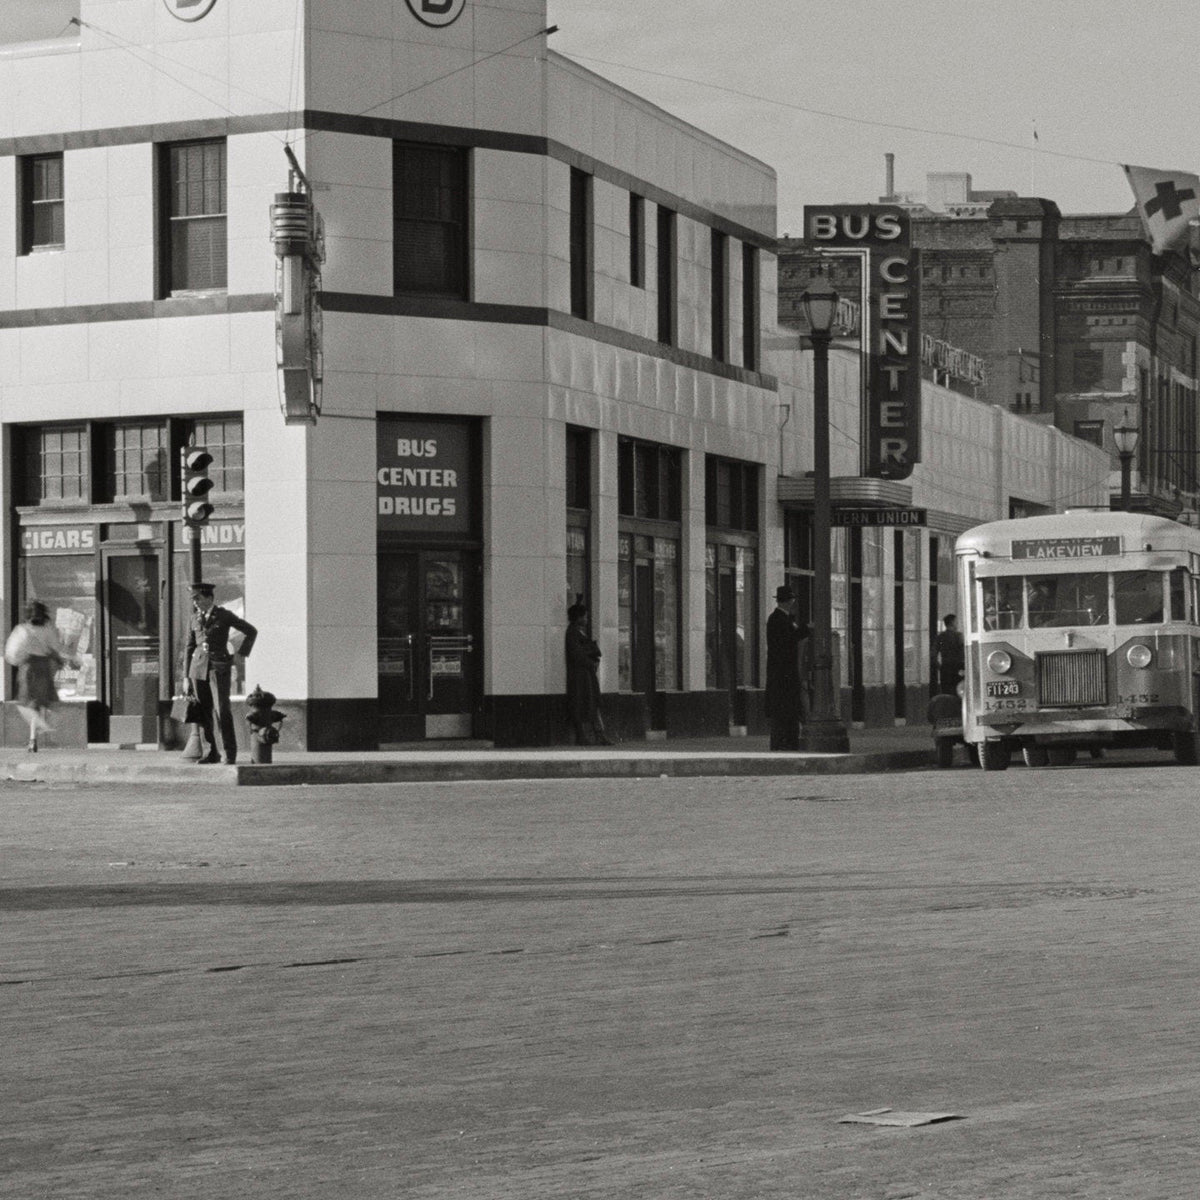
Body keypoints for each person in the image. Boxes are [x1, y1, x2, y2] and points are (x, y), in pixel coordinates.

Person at [184, 583, 258, 764]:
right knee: (203, 712)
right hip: (198, 669)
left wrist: (241, 654)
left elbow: (251, 630)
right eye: (194, 600)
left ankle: (229, 753)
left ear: (209, 598)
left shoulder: (224, 615)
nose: (195, 603)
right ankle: (211, 752)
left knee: (222, 711)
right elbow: (189, 647)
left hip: (218, 668)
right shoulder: (194, 618)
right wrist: (186, 677)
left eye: (198, 599)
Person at [4, 600, 80, 752]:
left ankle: (41, 727)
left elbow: (12, 653)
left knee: (25, 702)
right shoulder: (47, 629)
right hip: (44, 665)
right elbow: (56, 646)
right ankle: (33, 738)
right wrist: (71, 656)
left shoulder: (22, 629)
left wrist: (18, 660)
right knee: (40, 702)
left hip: (29, 666)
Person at [565, 601, 611, 745]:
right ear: (578, 618)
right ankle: (591, 735)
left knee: (589, 703)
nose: (586, 620)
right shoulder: (572, 633)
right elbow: (577, 653)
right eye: (584, 617)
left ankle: (594, 734)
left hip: (585, 675)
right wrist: (592, 663)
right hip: (581, 676)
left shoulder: (576, 632)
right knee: (586, 704)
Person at [765, 585, 801, 751]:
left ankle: (785, 741)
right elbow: (787, 641)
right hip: (782, 672)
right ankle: (784, 742)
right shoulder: (778, 619)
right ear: (788, 601)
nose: (793, 602)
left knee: (786, 708)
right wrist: (805, 631)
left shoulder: (783, 618)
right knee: (784, 708)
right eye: (791, 599)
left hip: (783, 672)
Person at [933, 612, 965, 696]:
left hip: (946, 668)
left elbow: (933, 655)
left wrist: (940, 667)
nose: (957, 623)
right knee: (959, 692)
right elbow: (964, 652)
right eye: (956, 621)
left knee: (946, 692)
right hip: (958, 667)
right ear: (952, 622)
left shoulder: (940, 637)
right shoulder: (959, 636)